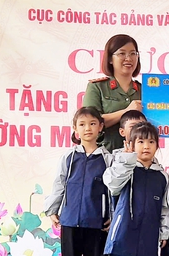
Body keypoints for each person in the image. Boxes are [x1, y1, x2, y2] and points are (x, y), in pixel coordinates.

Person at [43, 107, 112, 256]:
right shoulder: (69, 157)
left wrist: (112, 215)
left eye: (93, 123)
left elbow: (113, 191)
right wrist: (52, 209)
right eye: (82, 124)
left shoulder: (108, 159)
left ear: (100, 127)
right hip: (69, 222)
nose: (87, 128)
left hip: (96, 223)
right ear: (75, 128)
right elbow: (59, 184)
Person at [103, 122, 169, 256]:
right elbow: (112, 184)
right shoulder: (125, 167)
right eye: (141, 141)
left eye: (151, 141)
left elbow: (165, 207)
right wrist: (127, 161)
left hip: (148, 237)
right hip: (122, 234)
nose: (146, 146)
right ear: (131, 144)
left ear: (157, 146)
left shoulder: (162, 176)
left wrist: (164, 231)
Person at [83, 34, 143, 152]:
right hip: (104, 157)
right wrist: (126, 112)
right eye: (122, 53)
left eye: (133, 53)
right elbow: (88, 123)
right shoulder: (97, 87)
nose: (129, 58)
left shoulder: (145, 90)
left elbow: (157, 122)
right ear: (110, 59)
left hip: (137, 158)